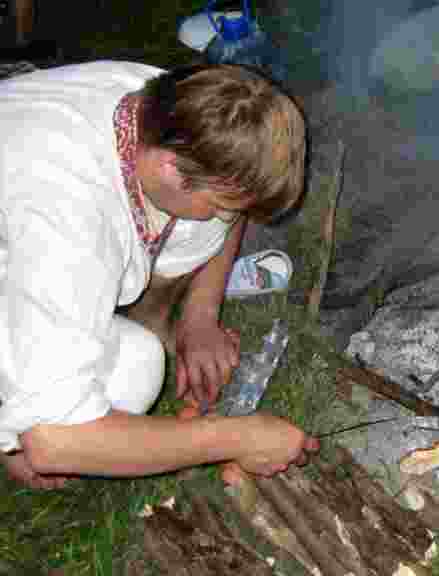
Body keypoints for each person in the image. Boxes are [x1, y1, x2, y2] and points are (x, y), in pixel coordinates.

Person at [0, 62, 318, 490]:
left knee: (136, 361)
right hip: (36, 233)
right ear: (171, 168)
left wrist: (200, 317)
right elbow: (55, 441)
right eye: (225, 206)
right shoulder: (68, 225)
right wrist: (238, 437)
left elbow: (229, 197)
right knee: (128, 379)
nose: (230, 219)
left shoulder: (172, 107)